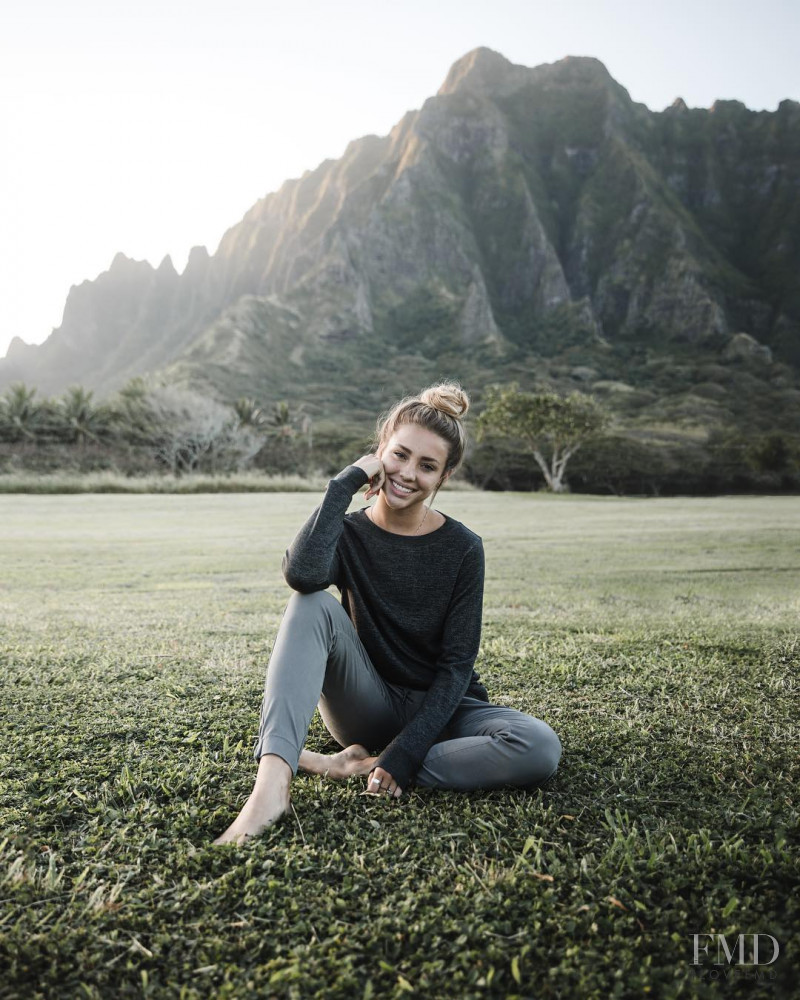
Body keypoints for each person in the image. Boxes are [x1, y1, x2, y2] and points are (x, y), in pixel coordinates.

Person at [214, 383, 561, 845]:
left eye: (427, 466)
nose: (407, 474)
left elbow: (457, 666)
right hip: (367, 703)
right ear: (380, 452)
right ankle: (270, 791)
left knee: (539, 747)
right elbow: (301, 574)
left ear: (445, 476)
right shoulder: (349, 531)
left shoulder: (463, 548)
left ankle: (357, 767)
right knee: (310, 602)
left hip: (443, 711)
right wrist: (343, 486)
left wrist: (407, 752)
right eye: (399, 455)